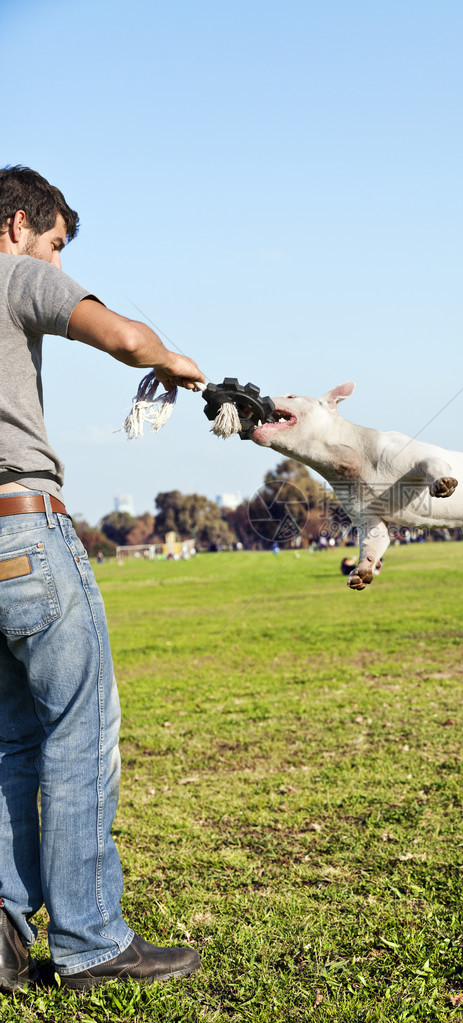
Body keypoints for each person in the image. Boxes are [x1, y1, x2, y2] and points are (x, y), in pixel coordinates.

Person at [0, 166, 206, 991]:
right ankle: (92, 941)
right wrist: (174, 361)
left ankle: (4, 933)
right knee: (80, 731)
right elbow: (120, 335)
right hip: (25, 530)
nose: (54, 263)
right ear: (19, 223)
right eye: (53, 245)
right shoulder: (16, 272)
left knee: (12, 743)